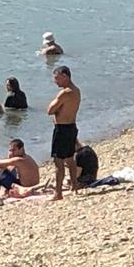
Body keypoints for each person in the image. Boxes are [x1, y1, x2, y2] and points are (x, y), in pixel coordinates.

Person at [47, 65, 81, 199]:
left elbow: (50, 110)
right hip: (71, 126)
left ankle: (58, 193)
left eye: (57, 78)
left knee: (58, 162)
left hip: (62, 129)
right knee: (70, 158)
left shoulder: (65, 93)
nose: (56, 81)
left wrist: (56, 109)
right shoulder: (76, 90)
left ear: (65, 76)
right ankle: (74, 186)